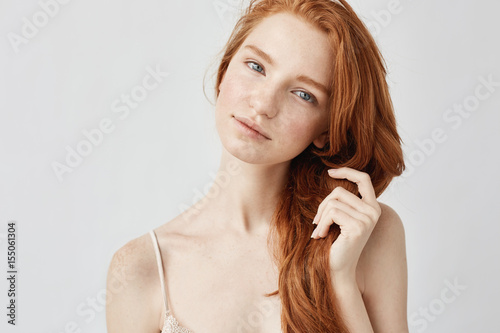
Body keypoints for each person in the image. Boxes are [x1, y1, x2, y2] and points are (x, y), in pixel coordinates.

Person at [106, 0, 408, 332]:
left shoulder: (365, 235)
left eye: (303, 94)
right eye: (256, 66)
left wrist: (342, 283)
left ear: (325, 129)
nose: (263, 105)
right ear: (224, 71)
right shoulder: (142, 268)